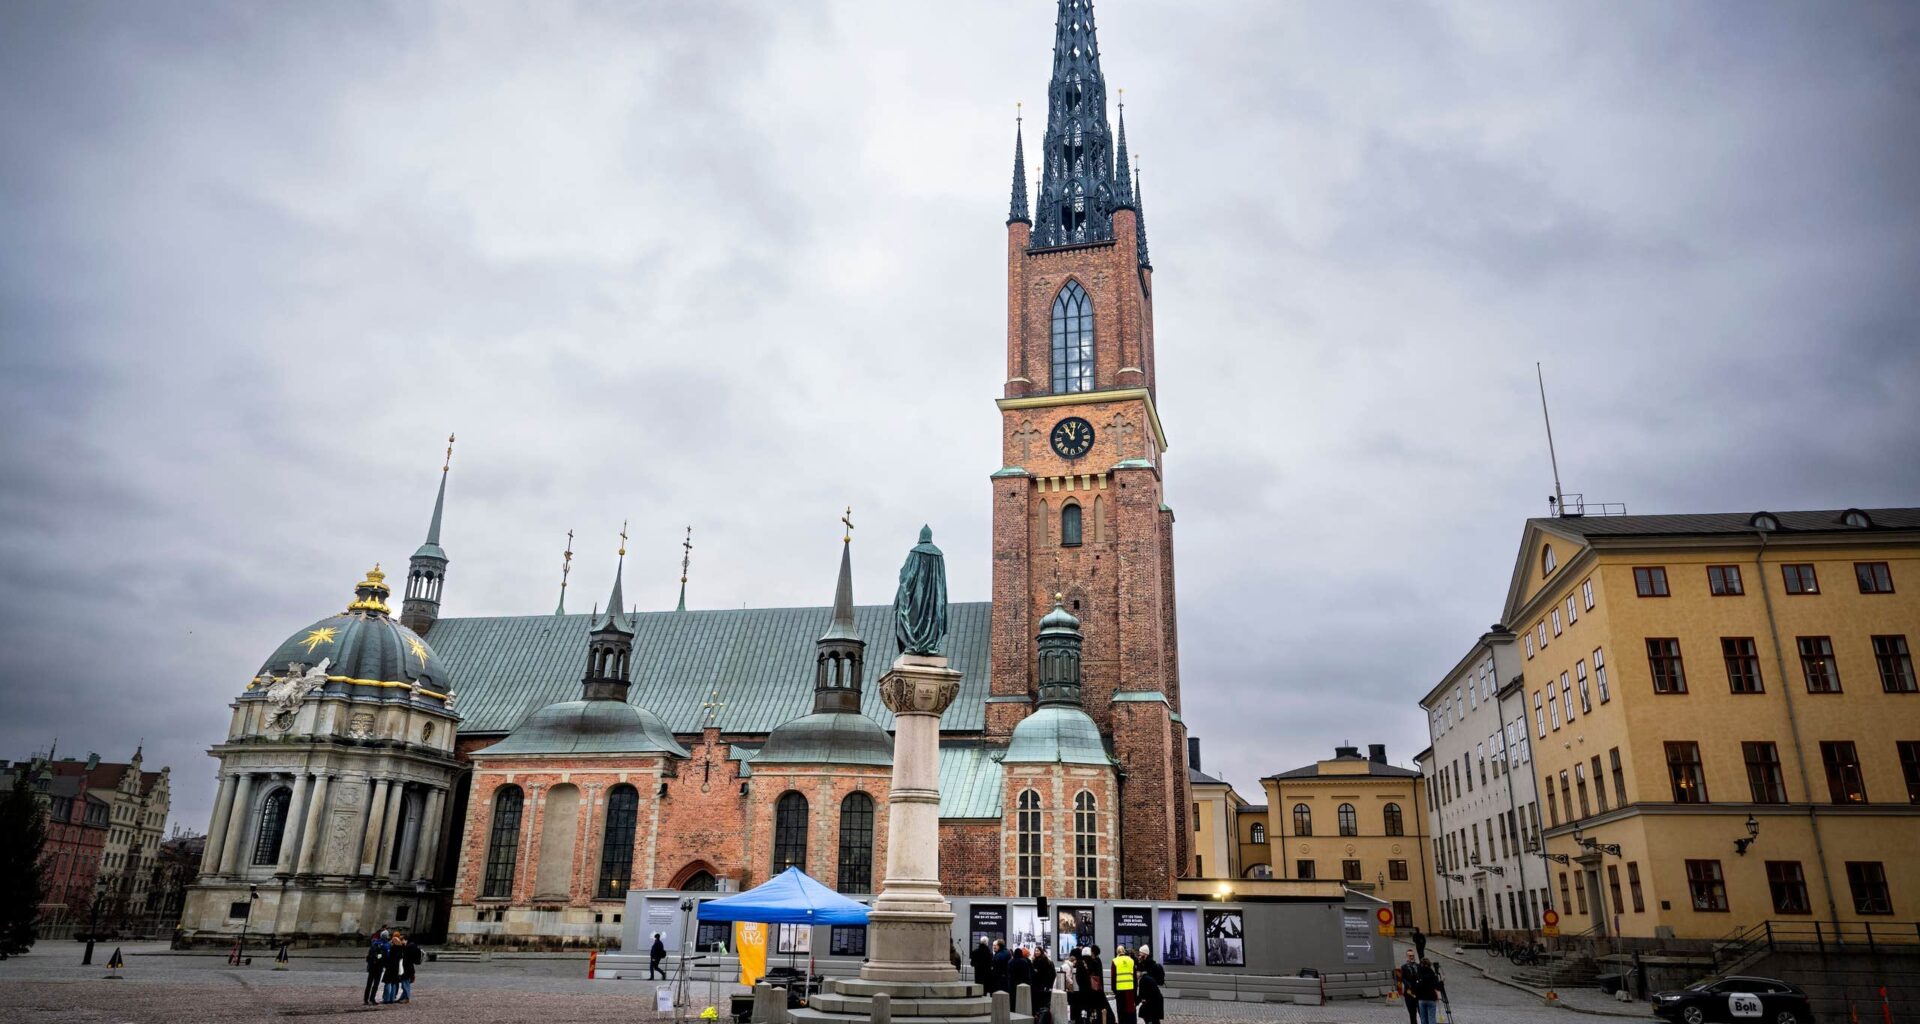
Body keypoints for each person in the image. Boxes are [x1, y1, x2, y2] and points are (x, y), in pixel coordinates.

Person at [1410, 957, 1447, 1024]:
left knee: (1423, 1019)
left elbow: (1414, 986)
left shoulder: (1418, 973)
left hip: (1421, 999)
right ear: (1429, 965)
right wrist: (1442, 981)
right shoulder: (1431, 973)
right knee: (1431, 1019)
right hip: (1431, 999)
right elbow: (1437, 987)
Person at [1109, 944, 1137, 1024]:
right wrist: (1135, 991)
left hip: (1119, 991)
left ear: (1117, 952)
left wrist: (1114, 990)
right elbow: (1134, 978)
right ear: (1124, 951)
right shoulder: (1131, 961)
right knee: (1130, 1010)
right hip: (1130, 990)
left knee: (1121, 1012)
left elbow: (1113, 977)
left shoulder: (1115, 961)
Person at [363, 931, 389, 1006]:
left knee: (369, 983)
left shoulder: (374, 943)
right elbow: (387, 956)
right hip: (379, 966)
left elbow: (369, 955)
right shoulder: (386, 945)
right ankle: (372, 999)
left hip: (372, 966)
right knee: (376, 984)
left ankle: (365, 999)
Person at [1396, 949, 1422, 1024]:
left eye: (1413, 955)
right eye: (1410, 956)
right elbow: (1402, 978)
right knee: (1412, 1013)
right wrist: (1408, 984)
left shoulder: (1418, 966)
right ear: (1407, 957)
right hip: (1409, 993)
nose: (1412, 957)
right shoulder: (1403, 967)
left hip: (1418, 993)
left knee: (1421, 1012)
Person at [395, 932, 421, 1003]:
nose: (401, 942)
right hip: (408, 968)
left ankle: (406, 998)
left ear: (404, 940)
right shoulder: (409, 946)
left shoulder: (409, 947)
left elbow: (406, 958)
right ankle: (402, 997)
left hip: (406, 968)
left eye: (401, 940)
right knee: (405, 983)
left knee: (405, 984)